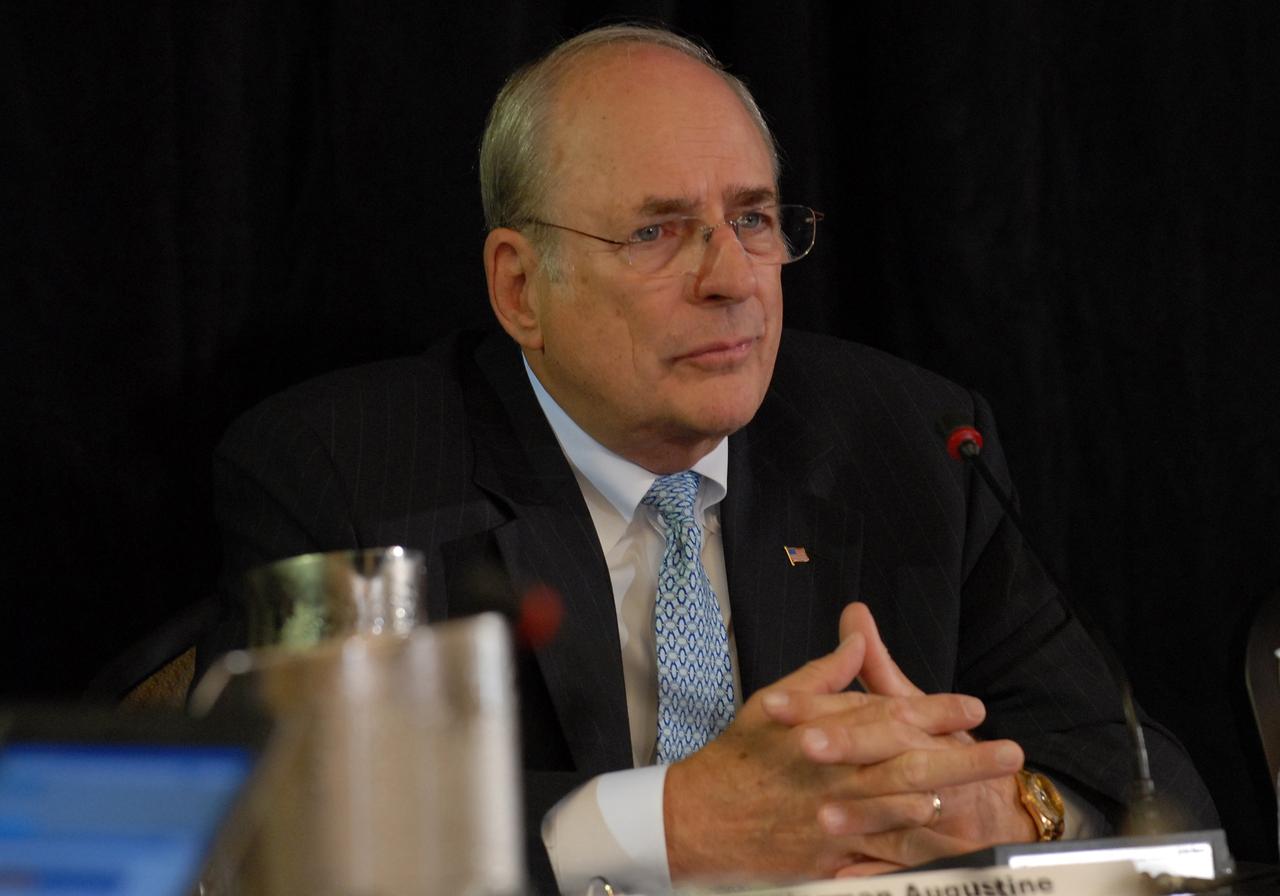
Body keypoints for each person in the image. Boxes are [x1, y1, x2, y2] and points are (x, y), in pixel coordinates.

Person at [205, 23, 1217, 895]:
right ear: (520, 287)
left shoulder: (911, 442)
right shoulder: (348, 472)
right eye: (656, 230)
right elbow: (279, 827)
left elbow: (1147, 788)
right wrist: (665, 822)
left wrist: (1005, 809)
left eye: (753, 218)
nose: (731, 278)